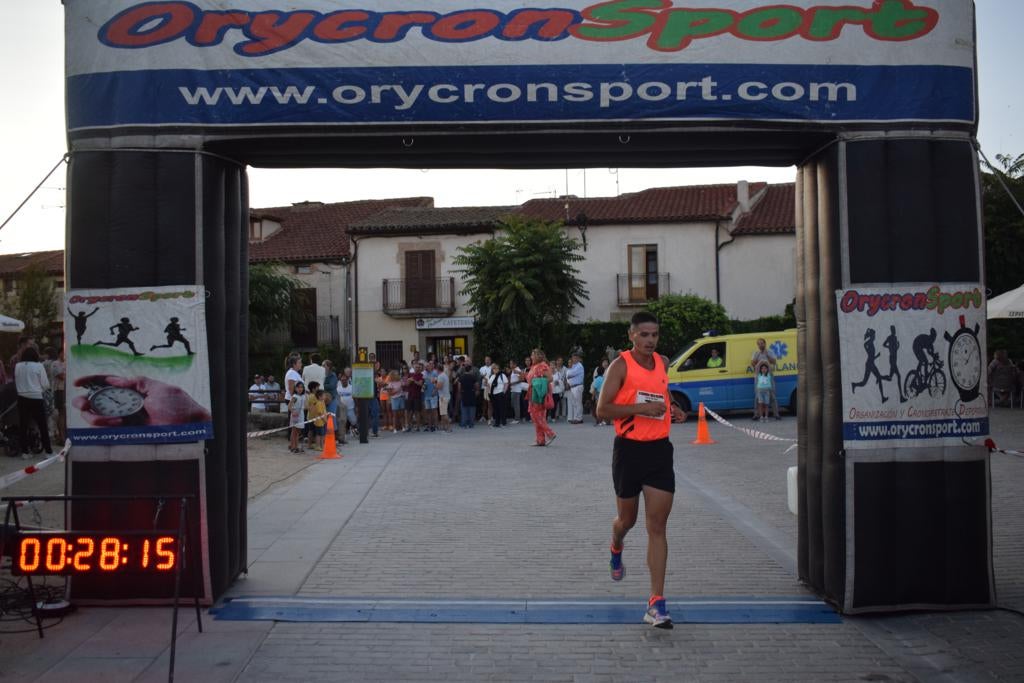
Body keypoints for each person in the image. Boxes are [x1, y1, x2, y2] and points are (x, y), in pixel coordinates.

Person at [596, 311, 687, 630]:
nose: (650, 340)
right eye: (644, 335)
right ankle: (615, 543)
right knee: (628, 520)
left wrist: (672, 406)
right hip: (629, 451)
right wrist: (641, 408)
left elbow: (662, 390)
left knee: (658, 527)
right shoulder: (619, 366)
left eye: (655, 334)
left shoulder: (662, 361)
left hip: (660, 450)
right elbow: (602, 409)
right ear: (631, 335)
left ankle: (656, 603)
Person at [15, 346, 52, 458]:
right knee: (42, 425)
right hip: (36, 397)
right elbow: (46, 384)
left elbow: (16, 380)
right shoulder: (39, 366)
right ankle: (48, 452)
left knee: (23, 425)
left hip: (22, 397)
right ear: (35, 355)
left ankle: (25, 452)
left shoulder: (18, 366)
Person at [526, 349, 556, 446]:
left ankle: (550, 433)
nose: (531, 357)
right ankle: (540, 440)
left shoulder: (543, 365)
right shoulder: (534, 366)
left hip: (539, 393)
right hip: (533, 392)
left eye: (533, 355)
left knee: (536, 415)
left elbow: (550, 378)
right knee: (538, 416)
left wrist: (537, 383)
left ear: (538, 356)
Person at [748, 338, 779, 420]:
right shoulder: (756, 353)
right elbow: (752, 363)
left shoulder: (770, 352)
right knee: (757, 396)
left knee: (772, 395)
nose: (760, 345)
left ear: (765, 344)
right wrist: (758, 356)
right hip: (759, 378)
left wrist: (767, 355)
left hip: (769, 377)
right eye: (759, 344)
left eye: (762, 343)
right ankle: (756, 414)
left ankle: (776, 414)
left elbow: (774, 362)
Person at [458, 363, 479, 428]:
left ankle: (464, 423)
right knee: (472, 409)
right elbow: (477, 385)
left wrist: (460, 393)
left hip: (464, 394)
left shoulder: (461, 377)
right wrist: (476, 391)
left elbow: (459, 386)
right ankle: (471, 423)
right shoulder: (473, 377)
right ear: (470, 370)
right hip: (471, 394)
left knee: (464, 410)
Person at [566, 352, 585, 423]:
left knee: (578, 403)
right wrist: (569, 375)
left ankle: (579, 418)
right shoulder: (573, 366)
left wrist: (569, 374)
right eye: (573, 358)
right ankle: (576, 417)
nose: (573, 359)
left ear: (578, 358)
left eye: (575, 358)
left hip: (578, 386)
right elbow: (568, 375)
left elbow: (570, 373)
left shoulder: (579, 366)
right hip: (573, 387)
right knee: (574, 403)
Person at [288, 381, 307, 453]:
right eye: (298, 387)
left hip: (301, 415)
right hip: (295, 415)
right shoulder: (295, 397)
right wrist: (293, 412)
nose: (300, 389)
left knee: (298, 431)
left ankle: (296, 446)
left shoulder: (303, 396)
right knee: (294, 431)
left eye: (301, 387)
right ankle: (293, 446)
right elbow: (289, 406)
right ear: (295, 388)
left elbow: (305, 407)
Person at [337, 374, 357, 440]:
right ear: (340, 381)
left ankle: (353, 429)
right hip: (342, 409)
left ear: (348, 380)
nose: (344, 381)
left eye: (345, 380)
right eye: (342, 380)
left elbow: (355, 398)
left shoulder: (351, 387)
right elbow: (337, 398)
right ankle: (343, 436)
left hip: (350, 407)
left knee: (354, 421)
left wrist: (356, 407)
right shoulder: (338, 388)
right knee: (342, 422)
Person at [407, 362, 425, 431]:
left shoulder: (421, 375)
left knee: (417, 412)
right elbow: (407, 384)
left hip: (417, 396)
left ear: (420, 368)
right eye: (416, 367)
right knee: (410, 412)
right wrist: (409, 380)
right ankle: (409, 426)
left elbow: (420, 384)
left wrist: (413, 380)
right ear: (413, 368)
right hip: (410, 395)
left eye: (418, 367)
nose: (417, 368)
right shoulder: (410, 374)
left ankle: (417, 427)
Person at [490, 362, 508, 428]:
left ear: (499, 369)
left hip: (500, 394)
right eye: (494, 368)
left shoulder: (502, 375)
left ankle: (503, 422)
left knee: (501, 409)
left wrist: (504, 392)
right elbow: (490, 385)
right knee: (496, 409)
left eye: (496, 368)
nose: (495, 370)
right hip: (493, 394)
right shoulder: (492, 376)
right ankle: (497, 423)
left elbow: (506, 384)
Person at [422, 360, 439, 432]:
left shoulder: (435, 373)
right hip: (426, 395)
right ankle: (429, 426)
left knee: (434, 410)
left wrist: (435, 391)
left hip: (433, 394)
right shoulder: (424, 373)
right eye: (426, 365)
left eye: (429, 365)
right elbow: (423, 384)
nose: (427, 366)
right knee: (428, 411)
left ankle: (435, 426)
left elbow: (437, 383)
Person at [436, 361, 452, 432]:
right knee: (443, 413)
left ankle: (448, 427)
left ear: (437, 369)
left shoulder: (440, 376)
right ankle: (444, 427)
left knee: (444, 413)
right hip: (446, 396)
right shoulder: (444, 375)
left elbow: (439, 386)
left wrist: (434, 383)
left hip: (443, 397)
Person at [550, 356, 567, 422]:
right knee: (549, 404)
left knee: (555, 404)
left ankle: (553, 417)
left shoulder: (558, 373)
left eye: (553, 365)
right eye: (551, 365)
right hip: (549, 391)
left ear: (555, 366)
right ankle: (547, 417)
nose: (552, 366)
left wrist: (558, 382)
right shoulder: (548, 373)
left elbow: (561, 381)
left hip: (556, 391)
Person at [479, 356, 493, 424]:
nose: (487, 361)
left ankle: (490, 417)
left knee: (490, 403)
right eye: (486, 360)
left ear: (490, 360)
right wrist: (482, 376)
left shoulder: (492, 368)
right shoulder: (482, 368)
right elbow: (479, 377)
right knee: (484, 403)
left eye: (488, 360)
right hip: (483, 387)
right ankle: (483, 416)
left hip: (490, 388)